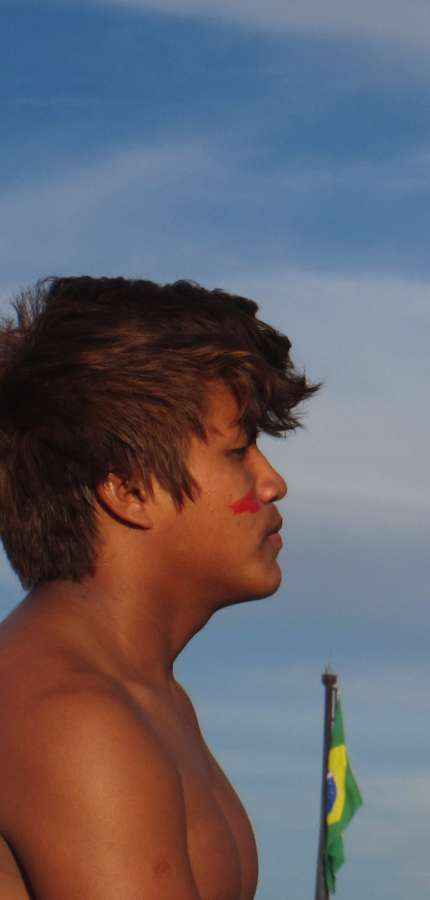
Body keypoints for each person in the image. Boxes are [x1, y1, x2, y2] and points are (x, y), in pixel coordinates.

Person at [0, 277, 319, 899]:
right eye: (238, 452)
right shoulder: (72, 714)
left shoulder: (146, 696)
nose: (272, 482)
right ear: (129, 489)